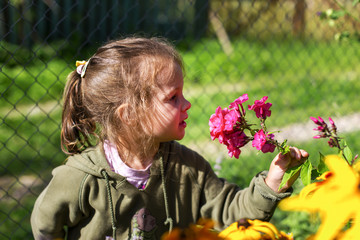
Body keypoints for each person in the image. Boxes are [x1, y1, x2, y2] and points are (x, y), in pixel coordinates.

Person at [30, 37, 309, 240]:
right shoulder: (79, 179)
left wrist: (272, 182)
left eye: (182, 93)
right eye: (173, 97)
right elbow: (45, 227)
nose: (186, 104)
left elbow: (232, 213)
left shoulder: (188, 168)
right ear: (129, 115)